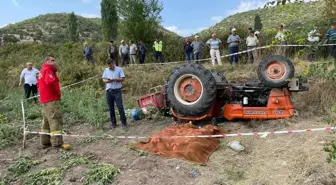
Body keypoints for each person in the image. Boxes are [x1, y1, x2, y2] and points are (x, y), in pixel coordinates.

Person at [38, 55, 66, 149]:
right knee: (55, 119)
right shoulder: (48, 70)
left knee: (46, 120)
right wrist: (58, 92)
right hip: (51, 99)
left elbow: (39, 84)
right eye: (52, 60)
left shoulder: (41, 71)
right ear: (47, 61)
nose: (54, 62)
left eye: (54, 60)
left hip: (44, 99)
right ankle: (57, 142)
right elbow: (51, 83)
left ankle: (45, 142)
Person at [102, 59, 127, 129]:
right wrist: (108, 81)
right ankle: (113, 123)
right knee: (111, 108)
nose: (110, 67)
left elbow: (123, 79)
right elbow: (104, 79)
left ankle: (124, 123)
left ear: (113, 63)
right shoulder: (106, 70)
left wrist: (115, 79)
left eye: (111, 65)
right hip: (109, 91)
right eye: (108, 65)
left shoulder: (119, 69)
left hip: (117, 91)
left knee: (120, 107)